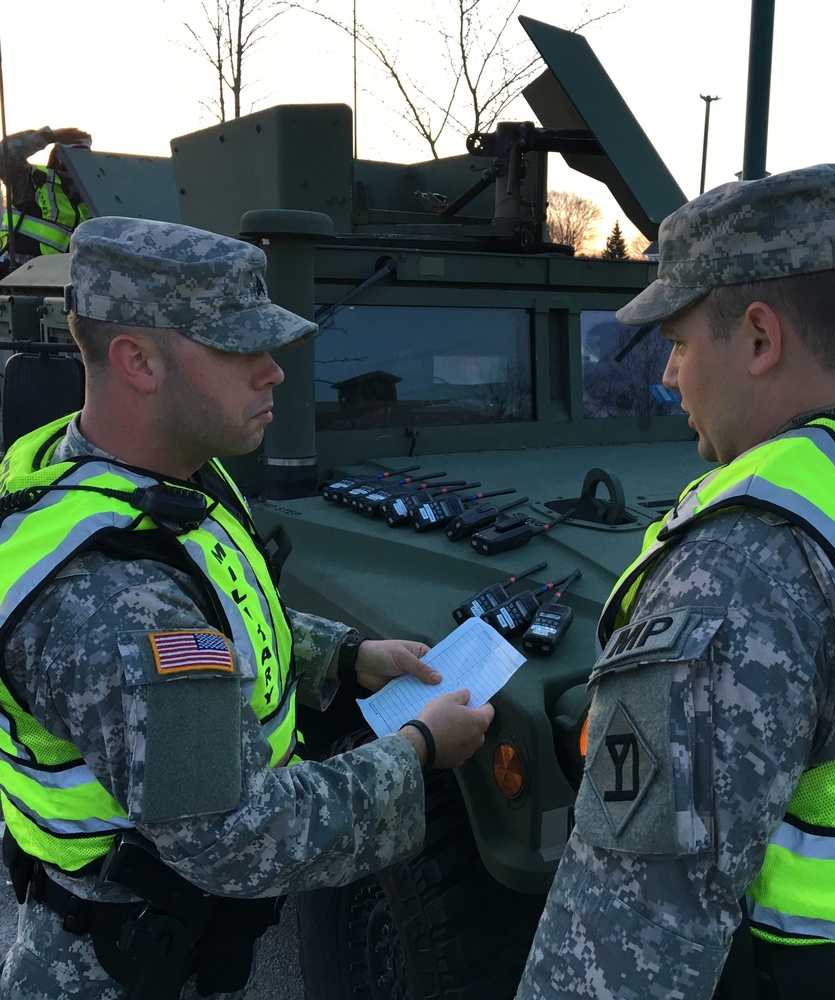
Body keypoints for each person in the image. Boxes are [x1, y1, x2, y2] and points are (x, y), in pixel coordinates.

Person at [516, 163, 835, 1000]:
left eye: (677, 344)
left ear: (759, 338)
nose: (669, 378)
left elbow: (615, 958)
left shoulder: (743, 566)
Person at [0, 215, 495, 1000]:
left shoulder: (159, 473)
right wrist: (418, 752)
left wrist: (340, 658)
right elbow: (238, 834)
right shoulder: (109, 599)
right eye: (239, 348)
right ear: (137, 361)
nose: (275, 372)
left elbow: (213, 610)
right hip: (117, 967)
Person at [0, 125, 93, 272]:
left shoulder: (91, 197)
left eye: (84, 156)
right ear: (57, 157)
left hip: (62, 277)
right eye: (72, 154)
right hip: (20, 272)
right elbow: (4, 155)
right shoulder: (32, 181)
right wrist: (46, 137)